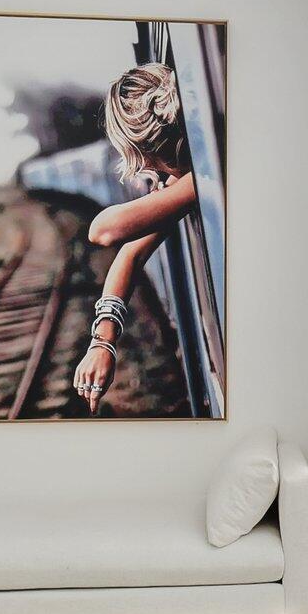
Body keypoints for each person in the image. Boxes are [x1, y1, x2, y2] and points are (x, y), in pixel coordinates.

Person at [73, 63, 200, 413]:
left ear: (145, 149)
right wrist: (102, 342)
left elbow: (103, 230)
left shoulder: (195, 183)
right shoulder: (185, 183)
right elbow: (130, 255)